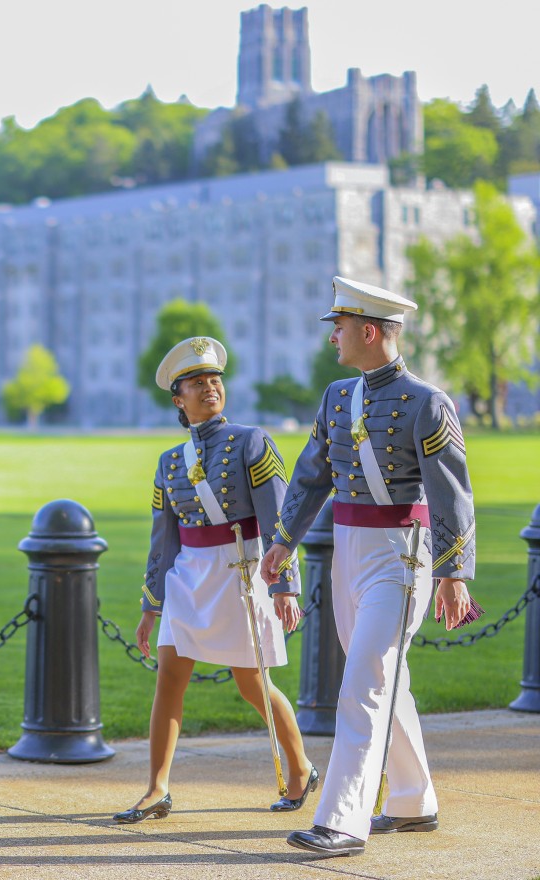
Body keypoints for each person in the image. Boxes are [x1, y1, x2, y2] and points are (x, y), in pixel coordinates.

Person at [261, 277, 477, 858]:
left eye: (340, 327)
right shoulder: (337, 397)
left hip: (402, 555)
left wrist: (454, 573)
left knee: (361, 683)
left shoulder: (428, 403)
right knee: (384, 678)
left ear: (370, 330)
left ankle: (342, 820)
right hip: (349, 552)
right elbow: (310, 475)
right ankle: (412, 801)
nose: (333, 337)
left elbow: (453, 494)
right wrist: (283, 541)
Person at [113, 336, 317, 824]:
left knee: (252, 685)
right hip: (188, 579)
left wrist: (285, 585)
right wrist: (151, 605)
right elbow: (164, 542)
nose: (209, 388)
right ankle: (156, 788)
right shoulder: (168, 463)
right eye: (196, 383)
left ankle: (301, 765)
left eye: (214, 380)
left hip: (240, 572)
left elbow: (279, 520)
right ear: (177, 399)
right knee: (169, 680)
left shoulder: (252, 441)